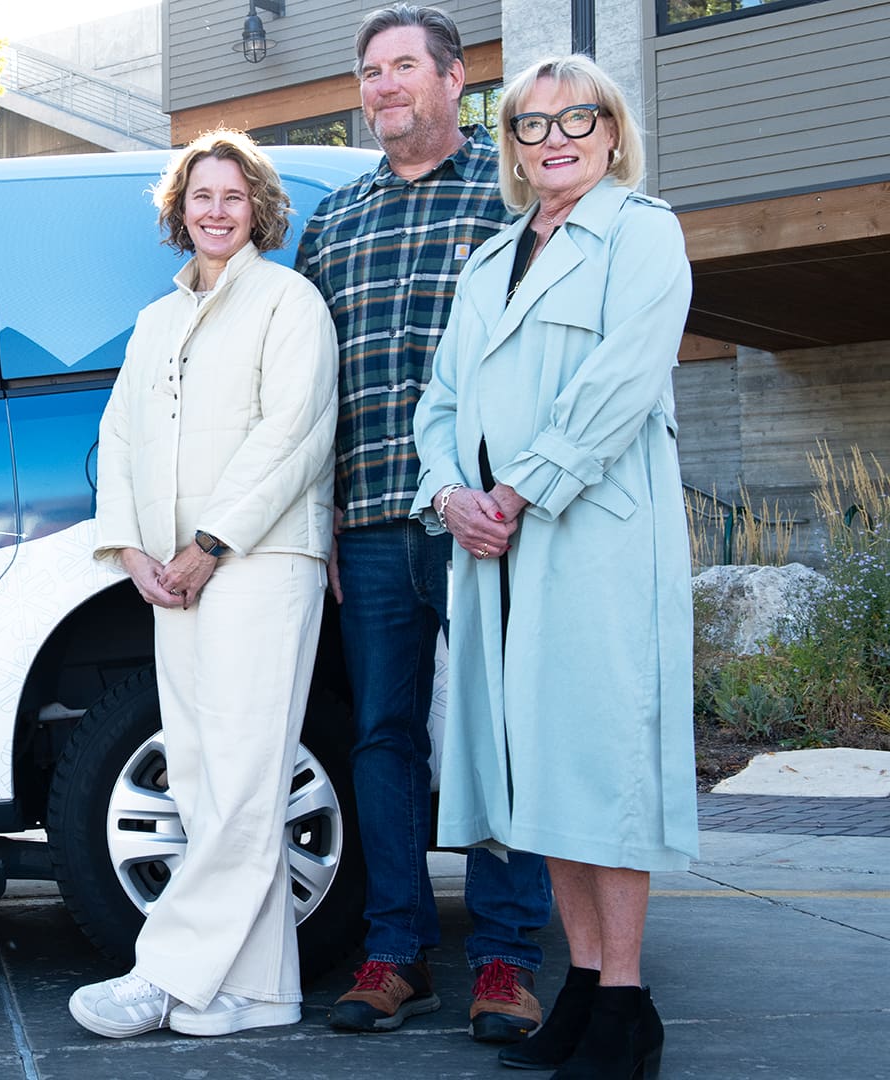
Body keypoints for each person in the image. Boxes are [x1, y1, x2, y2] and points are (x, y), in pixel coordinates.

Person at [412, 54, 697, 1079]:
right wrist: (450, 496)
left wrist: (520, 490)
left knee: (600, 765)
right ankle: (581, 986)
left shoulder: (642, 232)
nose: (555, 139)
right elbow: (439, 402)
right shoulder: (489, 261)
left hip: (592, 539)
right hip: (492, 549)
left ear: (612, 132)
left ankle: (626, 1004)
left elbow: (623, 380)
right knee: (539, 774)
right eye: (531, 127)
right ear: (514, 151)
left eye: (577, 120)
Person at [295, 2, 553, 1042]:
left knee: (499, 735)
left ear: (455, 82)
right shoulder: (335, 220)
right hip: (368, 523)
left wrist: (526, 492)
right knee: (383, 738)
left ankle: (506, 959)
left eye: (405, 66)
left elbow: (549, 359)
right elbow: (310, 396)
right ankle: (397, 953)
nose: (385, 85)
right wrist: (320, 531)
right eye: (371, 71)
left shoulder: (515, 199)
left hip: (486, 524)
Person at [73, 130, 338, 1039]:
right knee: (201, 776)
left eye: (232, 195)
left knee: (244, 773)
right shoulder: (157, 322)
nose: (216, 211)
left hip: (260, 564)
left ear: (256, 206)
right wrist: (134, 551)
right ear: (178, 211)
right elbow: (120, 440)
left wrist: (210, 543)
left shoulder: (288, 302)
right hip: (172, 575)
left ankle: (166, 971)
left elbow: (294, 435)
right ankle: (262, 992)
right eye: (200, 196)